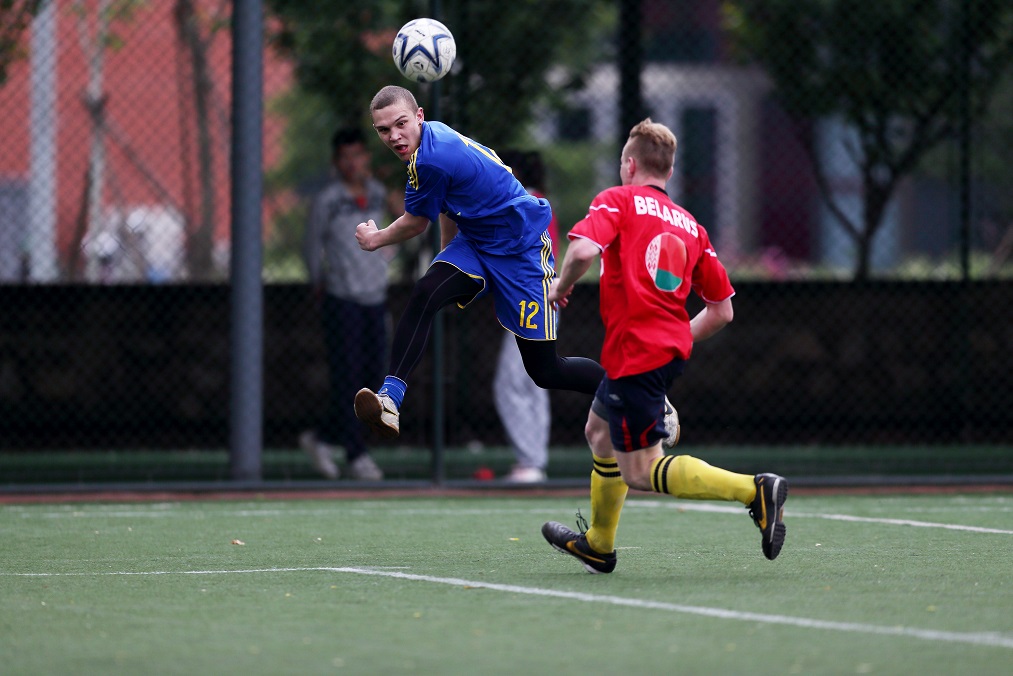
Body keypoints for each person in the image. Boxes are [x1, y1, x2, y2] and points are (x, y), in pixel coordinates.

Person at [541, 118, 788, 573]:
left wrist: (559, 287)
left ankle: (754, 490)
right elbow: (723, 310)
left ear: (629, 165)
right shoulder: (692, 226)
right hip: (655, 353)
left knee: (640, 471)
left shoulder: (617, 200)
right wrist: (671, 338)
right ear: (669, 172)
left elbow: (582, 251)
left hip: (636, 355)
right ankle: (598, 544)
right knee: (599, 432)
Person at [352, 85, 623, 441]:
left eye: (401, 123)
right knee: (426, 292)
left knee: (546, 370)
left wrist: (375, 239)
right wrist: (447, 263)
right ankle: (390, 399)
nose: (394, 136)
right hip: (477, 243)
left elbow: (416, 223)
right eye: (383, 130)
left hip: (522, 250)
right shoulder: (428, 142)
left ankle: (637, 397)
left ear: (419, 116)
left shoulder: (430, 159)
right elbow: (447, 202)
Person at [299, 127, 389, 481]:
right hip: (342, 298)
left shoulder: (379, 194)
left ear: (367, 158)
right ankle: (356, 453)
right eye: (345, 157)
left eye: (358, 155)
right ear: (336, 163)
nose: (352, 163)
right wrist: (317, 281)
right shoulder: (328, 199)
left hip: (375, 297)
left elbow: (403, 226)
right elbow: (312, 244)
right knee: (348, 379)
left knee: (375, 376)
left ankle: (322, 438)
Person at [493, 151, 556, 483]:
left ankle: (530, 461)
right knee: (533, 381)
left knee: (511, 383)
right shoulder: (536, 199)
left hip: (531, 302)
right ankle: (533, 459)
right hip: (538, 299)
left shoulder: (525, 200)